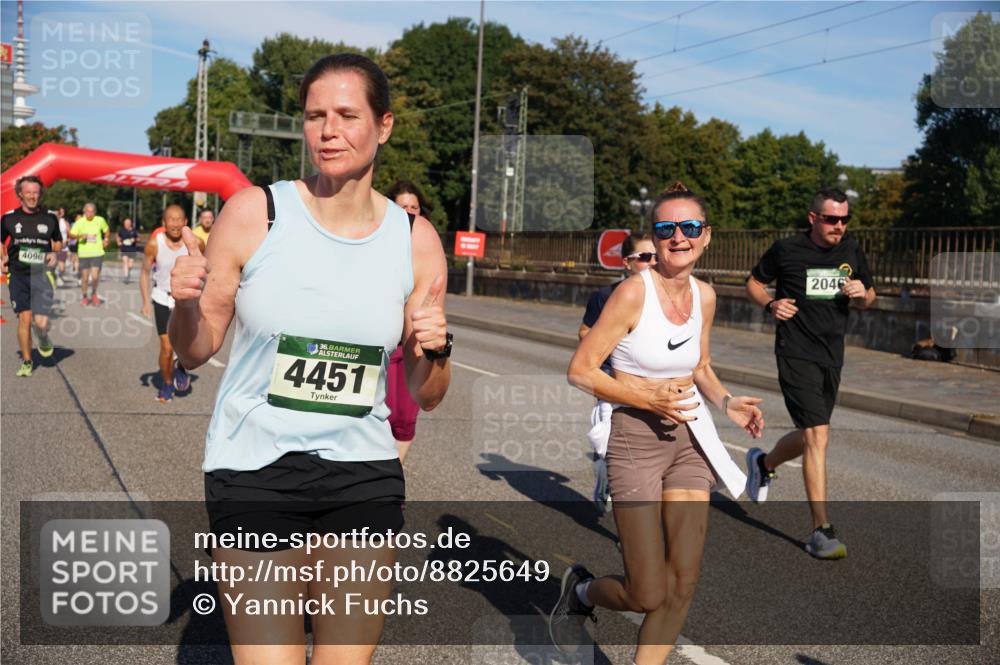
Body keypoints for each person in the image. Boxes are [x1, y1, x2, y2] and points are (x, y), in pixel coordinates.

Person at [168, 53, 451, 664]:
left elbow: (427, 392)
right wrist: (184, 304)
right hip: (255, 467)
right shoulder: (256, 213)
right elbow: (194, 352)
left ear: (384, 125)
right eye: (315, 115)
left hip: (363, 471)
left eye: (348, 115)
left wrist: (438, 347)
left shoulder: (414, 240)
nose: (329, 130)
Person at [551, 182, 764, 665]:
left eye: (689, 228)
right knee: (647, 591)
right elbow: (580, 370)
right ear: (655, 236)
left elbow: (700, 366)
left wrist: (727, 402)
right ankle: (581, 594)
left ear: (706, 236)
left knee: (684, 580)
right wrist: (643, 393)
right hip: (635, 442)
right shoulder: (631, 293)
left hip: (689, 441)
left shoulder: (706, 297)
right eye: (667, 228)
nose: (678, 237)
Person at [744, 186, 875, 560]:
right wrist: (770, 304)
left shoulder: (851, 250)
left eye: (845, 219)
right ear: (813, 218)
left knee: (811, 433)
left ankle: (763, 463)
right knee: (818, 436)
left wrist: (862, 293)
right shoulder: (787, 250)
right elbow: (753, 283)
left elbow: (871, 295)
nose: (839, 226)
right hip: (795, 350)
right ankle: (822, 530)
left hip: (832, 353)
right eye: (832, 219)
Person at [580, 232, 656, 512]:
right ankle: (608, 475)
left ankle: (637, 530)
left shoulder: (667, 297)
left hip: (653, 386)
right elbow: (585, 332)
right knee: (619, 453)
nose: (653, 262)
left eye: (656, 256)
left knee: (644, 459)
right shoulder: (605, 296)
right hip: (613, 383)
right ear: (627, 263)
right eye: (645, 257)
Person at [384, 179, 433, 461]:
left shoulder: (428, 247)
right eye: (404, 207)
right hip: (386, 342)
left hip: (413, 344)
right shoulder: (376, 244)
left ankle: (393, 484)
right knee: (383, 413)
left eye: (415, 207)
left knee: (405, 420)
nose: (411, 211)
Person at [1, 176, 62, 377]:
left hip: (41, 274)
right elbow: (1, 242)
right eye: (28, 192)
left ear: (40, 194)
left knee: (41, 323)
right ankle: (27, 361)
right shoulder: (8, 218)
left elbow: (58, 243)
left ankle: (43, 337)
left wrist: (54, 253)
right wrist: (2, 259)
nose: (32, 196)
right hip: (17, 275)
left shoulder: (50, 218)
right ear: (20, 194)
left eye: (36, 192)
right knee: (24, 319)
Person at [141, 206, 201, 403]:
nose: (175, 224)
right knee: (167, 347)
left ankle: (181, 366)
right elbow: (144, 273)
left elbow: (208, 267)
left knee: (185, 345)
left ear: (185, 222)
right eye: (171, 220)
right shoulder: (154, 244)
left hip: (186, 300)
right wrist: (145, 301)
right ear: (164, 223)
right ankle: (167, 383)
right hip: (161, 297)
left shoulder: (197, 243)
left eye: (179, 220)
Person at [69, 202, 110, 306]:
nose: (90, 213)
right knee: (85, 278)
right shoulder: (79, 222)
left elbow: (107, 230)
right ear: (84, 212)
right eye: (87, 211)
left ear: (95, 212)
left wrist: (106, 239)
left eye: (92, 211)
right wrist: (81, 236)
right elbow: (71, 235)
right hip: (84, 254)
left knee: (95, 277)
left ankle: (94, 293)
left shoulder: (100, 220)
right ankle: (84, 296)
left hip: (97, 252)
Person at [118, 217, 140, 284]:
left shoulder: (134, 230)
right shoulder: (121, 230)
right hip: (124, 249)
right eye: (125, 223)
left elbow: (139, 239)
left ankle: (128, 273)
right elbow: (118, 237)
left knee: (130, 265)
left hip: (132, 249)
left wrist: (135, 240)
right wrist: (118, 242)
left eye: (128, 223)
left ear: (130, 224)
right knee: (125, 262)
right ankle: (126, 276)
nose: (127, 224)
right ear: (124, 224)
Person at [54, 207, 71, 286]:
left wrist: (67, 240)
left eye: (63, 212)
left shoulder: (65, 222)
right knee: (52, 265)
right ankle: (55, 277)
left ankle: (58, 275)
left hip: (63, 247)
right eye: (60, 212)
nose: (61, 213)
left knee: (62, 268)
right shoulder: (51, 221)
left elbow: (71, 234)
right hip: (53, 248)